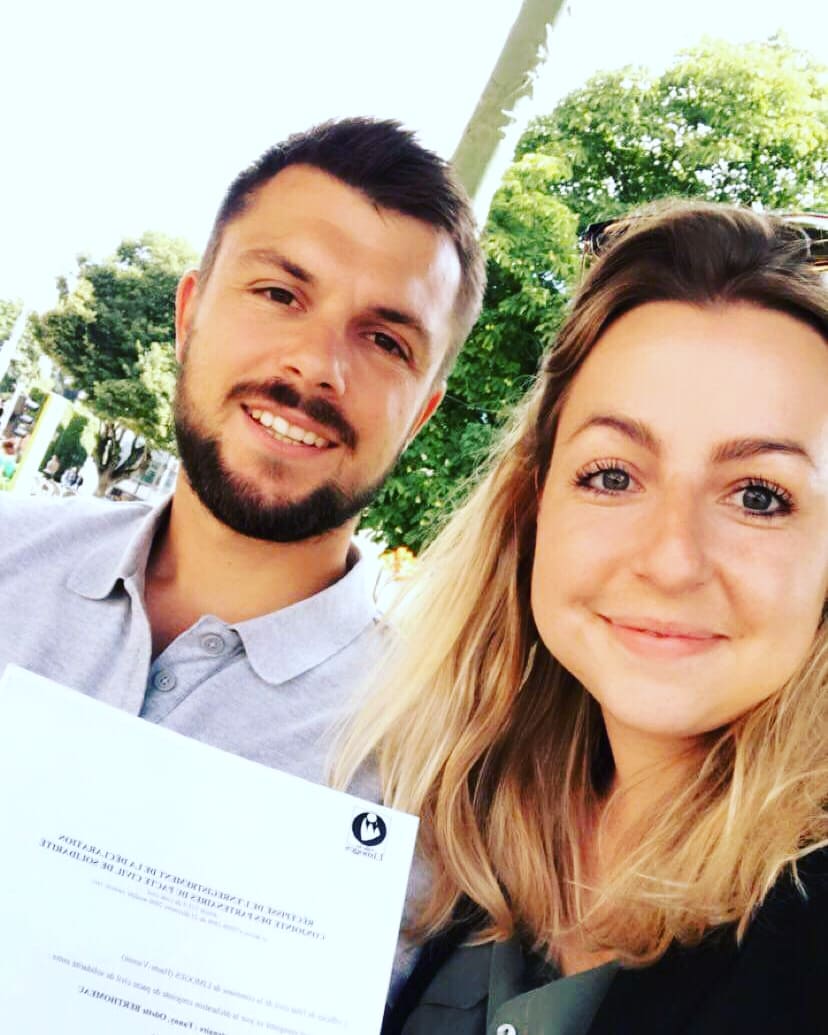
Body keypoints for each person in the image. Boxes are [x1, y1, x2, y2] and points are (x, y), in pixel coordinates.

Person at [0, 117, 484, 985]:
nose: (316, 364)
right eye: (279, 293)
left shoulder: (449, 769)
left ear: (420, 412)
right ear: (189, 313)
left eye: (385, 340)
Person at [333, 202, 828, 1034]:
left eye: (758, 495)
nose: (671, 559)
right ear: (532, 507)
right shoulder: (465, 823)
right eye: (612, 476)